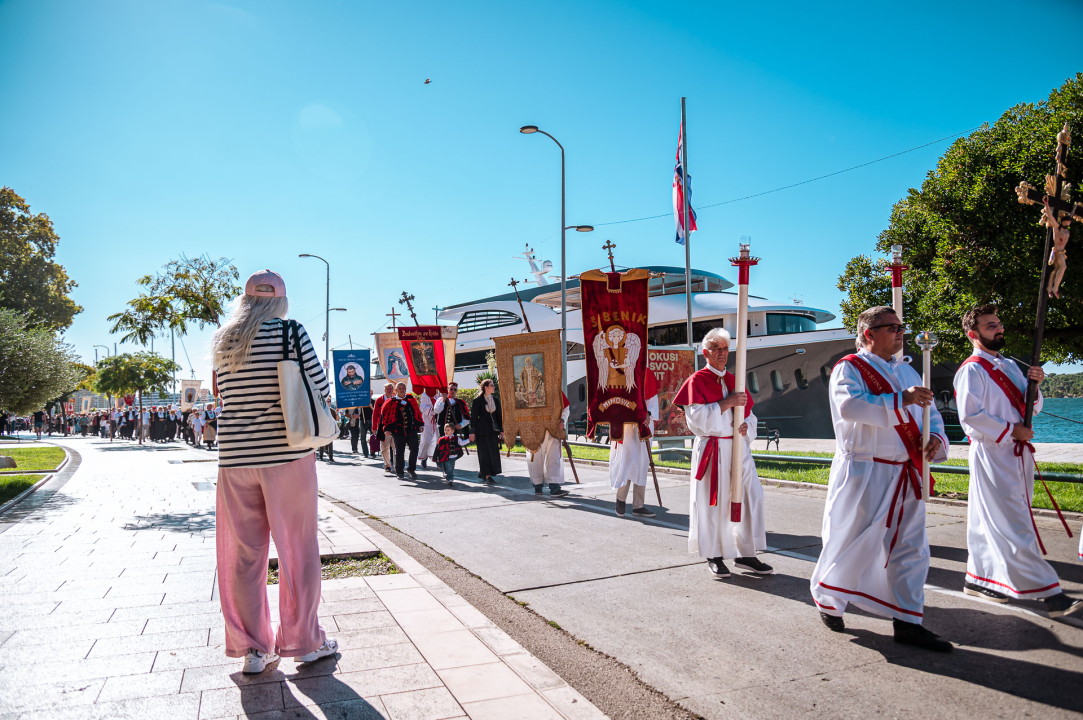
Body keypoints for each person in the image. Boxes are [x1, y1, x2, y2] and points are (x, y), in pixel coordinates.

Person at [212, 268, 337, 674]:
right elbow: (317, 384)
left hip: (234, 459)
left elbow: (221, 393)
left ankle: (253, 648)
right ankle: (303, 642)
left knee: (245, 556)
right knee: (297, 550)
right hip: (286, 454)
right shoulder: (290, 332)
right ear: (280, 301)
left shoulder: (223, 339)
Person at [810, 306, 952, 652]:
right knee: (849, 542)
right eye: (891, 327)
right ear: (868, 333)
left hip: (905, 470)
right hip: (864, 469)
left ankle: (908, 621)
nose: (900, 332)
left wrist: (937, 438)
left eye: (901, 326)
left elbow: (931, 413)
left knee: (911, 547)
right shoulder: (849, 368)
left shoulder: (908, 372)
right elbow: (850, 408)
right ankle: (829, 599)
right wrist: (901, 399)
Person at [953, 304, 1082, 617]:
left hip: (1018, 452)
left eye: (998, 323)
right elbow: (971, 417)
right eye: (989, 326)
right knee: (1014, 520)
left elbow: (1032, 407)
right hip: (993, 452)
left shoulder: (1010, 365)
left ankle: (980, 579)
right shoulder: (971, 370)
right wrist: (1012, 430)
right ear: (973, 334)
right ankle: (1049, 591)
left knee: (990, 519)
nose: (998, 329)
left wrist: (1035, 385)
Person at [675, 328, 772, 579]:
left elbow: (751, 415)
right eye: (716, 348)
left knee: (750, 497)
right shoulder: (697, 380)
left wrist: (746, 427)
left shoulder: (735, 380)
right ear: (705, 352)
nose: (722, 353)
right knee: (713, 503)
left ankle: (746, 553)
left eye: (725, 348)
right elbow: (696, 420)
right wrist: (727, 403)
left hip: (739, 447)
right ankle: (714, 555)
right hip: (713, 448)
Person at [609, 372, 660, 517]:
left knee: (642, 463)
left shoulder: (646, 372)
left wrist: (648, 413)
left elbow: (652, 399)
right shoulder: (618, 371)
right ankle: (621, 500)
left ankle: (638, 505)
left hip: (644, 424)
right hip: (626, 427)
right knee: (627, 461)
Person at [526, 393, 571, 499]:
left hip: (554, 429)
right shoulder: (532, 389)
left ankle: (554, 487)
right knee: (536, 457)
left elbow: (565, 408)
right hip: (536, 429)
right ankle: (538, 486)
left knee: (554, 458)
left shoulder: (556, 389)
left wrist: (563, 420)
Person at [380, 382, 423, 479]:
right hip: (398, 431)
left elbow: (417, 412)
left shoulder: (411, 399)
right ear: (396, 390)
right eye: (400, 388)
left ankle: (411, 469)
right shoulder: (391, 401)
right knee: (399, 451)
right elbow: (385, 416)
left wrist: (420, 424)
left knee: (415, 449)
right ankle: (399, 471)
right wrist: (386, 428)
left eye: (403, 388)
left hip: (411, 430)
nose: (402, 390)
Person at [469, 379, 503, 485]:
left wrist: (501, 430)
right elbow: (473, 417)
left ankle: (485, 472)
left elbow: (499, 416)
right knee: (484, 453)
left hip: (493, 430)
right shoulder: (478, 401)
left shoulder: (496, 400)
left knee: (493, 452)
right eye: (492, 385)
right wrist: (472, 432)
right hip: (482, 430)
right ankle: (487, 475)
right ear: (486, 387)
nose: (494, 387)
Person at [372, 383, 396, 473]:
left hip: (394, 428)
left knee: (395, 448)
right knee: (385, 448)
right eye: (387, 389)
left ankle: (397, 465)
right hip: (383, 427)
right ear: (384, 390)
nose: (389, 390)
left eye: (390, 389)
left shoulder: (396, 399)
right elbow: (375, 414)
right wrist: (374, 427)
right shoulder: (379, 400)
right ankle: (387, 465)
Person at [418, 389, 438, 470]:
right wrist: (433, 409)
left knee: (437, 440)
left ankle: (437, 459)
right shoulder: (425, 395)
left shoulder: (439, 393)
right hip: (427, 421)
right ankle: (424, 457)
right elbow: (422, 408)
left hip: (437, 420)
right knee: (426, 441)